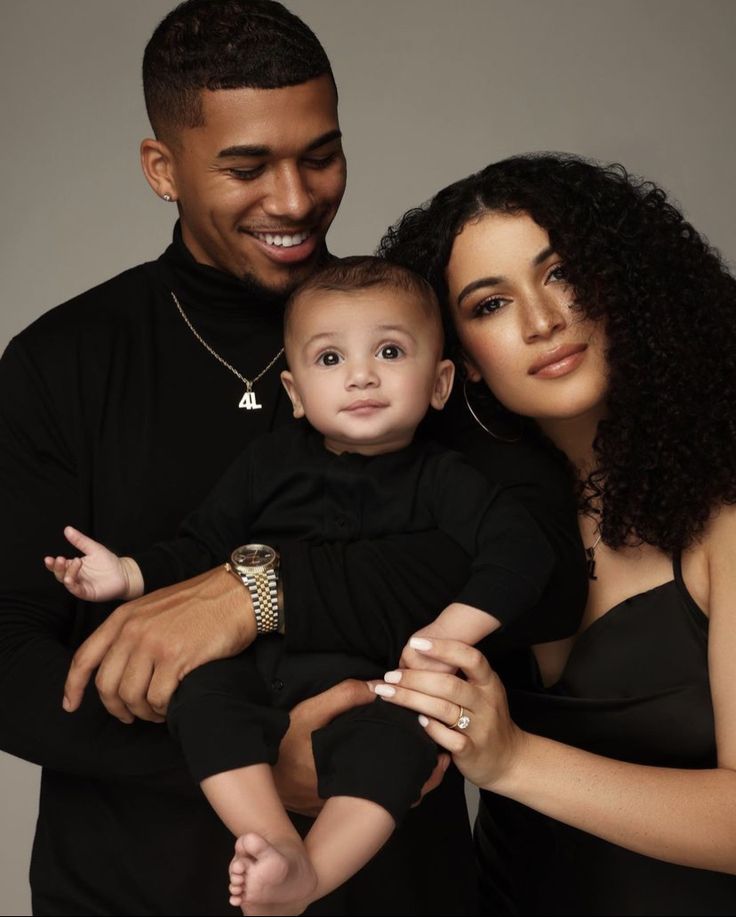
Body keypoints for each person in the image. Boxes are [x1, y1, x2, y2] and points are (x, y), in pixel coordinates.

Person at [0, 2, 586, 913]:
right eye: (246, 166)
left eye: (320, 154)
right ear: (163, 169)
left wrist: (251, 592)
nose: (295, 199)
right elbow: (8, 658)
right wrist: (259, 758)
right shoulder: (61, 361)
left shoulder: (403, 332)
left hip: (396, 891)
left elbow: (543, 569)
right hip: (123, 889)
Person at [46, 256, 556, 916]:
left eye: (391, 351)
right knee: (200, 695)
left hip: (374, 687)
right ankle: (277, 843)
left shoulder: (445, 480)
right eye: (329, 359)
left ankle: (314, 874)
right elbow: (202, 546)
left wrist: (447, 632)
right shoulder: (266, 464)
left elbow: (522, 551)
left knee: (402, 736)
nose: (361, 374)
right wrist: (129, 573)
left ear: (439, 382)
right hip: (257, 676)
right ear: (292, 392)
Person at [372, 152, 736, 915]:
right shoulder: (462, 516)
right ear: (459, 363)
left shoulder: (723, 515)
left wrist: (512, 758)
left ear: (624, 282)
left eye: (562, 272)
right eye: (489, 305)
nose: (543, 321)